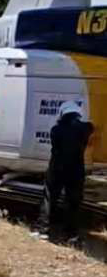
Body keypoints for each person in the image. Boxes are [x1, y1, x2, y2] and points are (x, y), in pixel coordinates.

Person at [37, 101, 95, 240]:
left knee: (50, 198)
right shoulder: (85, 128)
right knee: (73, 200)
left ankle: (43, 230)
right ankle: (71, 233)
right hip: (75, 169)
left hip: (57, 168)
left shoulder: (55, 129)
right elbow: (91, 125)